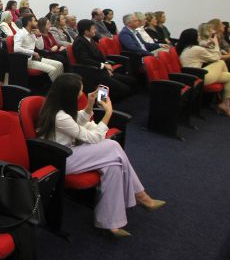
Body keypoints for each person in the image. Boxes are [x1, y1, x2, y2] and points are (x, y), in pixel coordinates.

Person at [36, 73, 165, 237]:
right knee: (113, 146)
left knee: (113, 166)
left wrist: (90, 104)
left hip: (69, 151)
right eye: (80, 91)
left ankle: (111, 224)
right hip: (61, 158)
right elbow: (93, 138)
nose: (82, 93)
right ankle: (141, 196)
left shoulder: (57, 108)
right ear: (69, 94)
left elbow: (77, 122)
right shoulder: (60, 116)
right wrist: (108, 113)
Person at [176, 28, 230, 116]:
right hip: (197, 77)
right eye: (198, 36)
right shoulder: (195, 49)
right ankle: (224, 95)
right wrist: (215, 42)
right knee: (221, 62)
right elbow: (216, 57)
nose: (199, 38)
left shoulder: (188, 47)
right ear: (193, 38)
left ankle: (225, 105)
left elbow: (204, 46)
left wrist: (209, 44)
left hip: (193, 74)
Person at [72, 20, 136, 101]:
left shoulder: (90, 39)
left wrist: (106, 64)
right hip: (91, 72)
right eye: (93, 29)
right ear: (86, 31)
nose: (95, 30)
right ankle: (104, 102)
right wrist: (103, 66)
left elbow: (100, 55)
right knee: (125, 89)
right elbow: (84, 60)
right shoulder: (79, 42)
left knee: (131, 81)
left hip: (100, 69)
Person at [14, 14, 64, 81]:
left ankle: (60, 84)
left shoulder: (32, 33)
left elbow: (40, 47)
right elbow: (16, 49)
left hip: (34, 58)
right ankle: (56, 86)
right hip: (25, 60)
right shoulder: (21, 33)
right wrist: (32, 52)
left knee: (59, 65)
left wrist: (39, 36)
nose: (36, 23)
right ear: (29, 22)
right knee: (52, 70)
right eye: (34, 21)